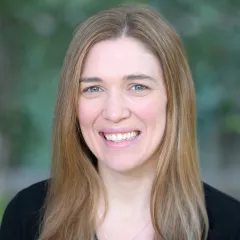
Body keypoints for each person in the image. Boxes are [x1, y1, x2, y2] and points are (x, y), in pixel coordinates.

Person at [0, 4, 240, 240]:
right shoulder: (26, 217)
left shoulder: (232, 225)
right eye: (93, 88)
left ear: (173, 99)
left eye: (137, 87)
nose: (114, 113)